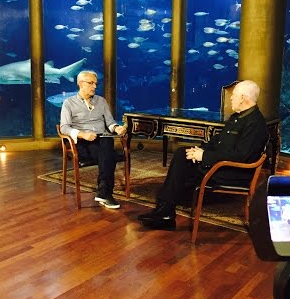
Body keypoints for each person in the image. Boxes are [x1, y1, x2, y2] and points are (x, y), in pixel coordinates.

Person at [138, 80, 269, 230]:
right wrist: (197, 151)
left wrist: (205, 156)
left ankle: (165, 211)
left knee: (181, 163)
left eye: (234, 95)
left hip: (232, 171)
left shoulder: (256, 124)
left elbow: (240, 156)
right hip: (219, 163)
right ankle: (165, 210)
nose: (231, 98)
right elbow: (217, 142)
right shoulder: (236, 117)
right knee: (183, 154)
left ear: (243, 98)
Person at [60, 70, 126, 209]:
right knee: (111, 155)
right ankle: (105, 193)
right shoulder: (69, 103)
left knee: (107, 141)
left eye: (95, 83)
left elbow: (110, 122)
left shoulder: (101, 101)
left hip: (101, 140)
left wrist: (116, 128)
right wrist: (82, 134)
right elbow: (64, 128)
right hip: (82, 143)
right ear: (80, 84)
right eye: (91, 83)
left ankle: (103, 192)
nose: (94, 86)